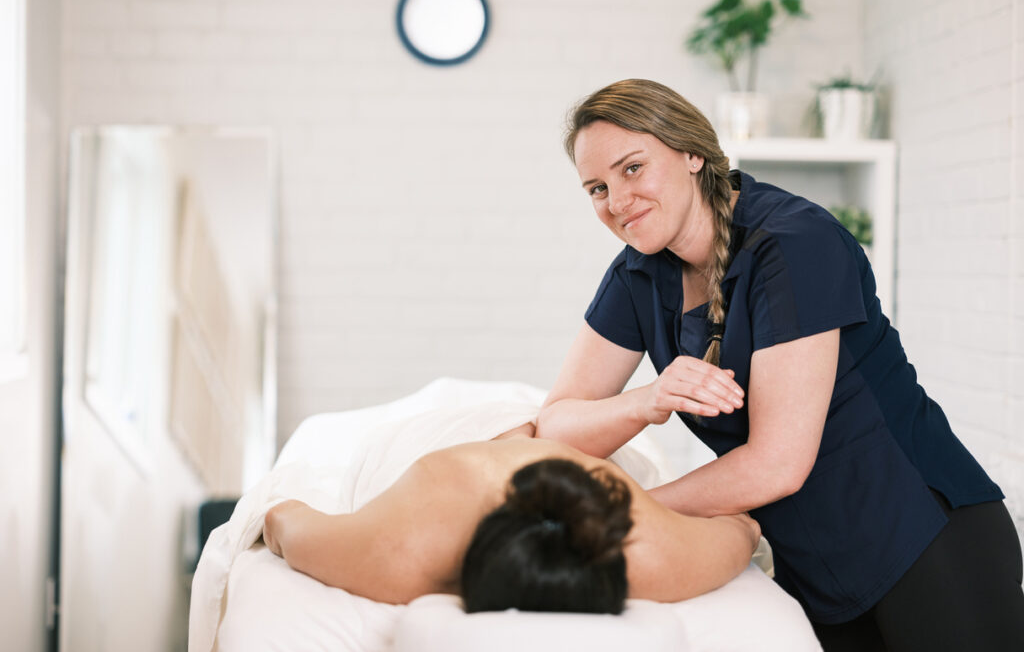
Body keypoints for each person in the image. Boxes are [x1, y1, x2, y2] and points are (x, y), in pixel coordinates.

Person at [537, 78, 1024, 651]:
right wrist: (647, 401)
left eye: (633, 168)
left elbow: (776, 466)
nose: (617, 202)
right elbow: (558, 424)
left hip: (923, 538)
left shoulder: (795, 244)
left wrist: (618, 514)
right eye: (596, 187)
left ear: (692, 152)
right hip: (815, 564)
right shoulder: (638, 274)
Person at [262, 423, 760, 612]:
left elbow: (744, 527)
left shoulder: (649, 551)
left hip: (557, 445)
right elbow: (281, 519)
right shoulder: (401, 552)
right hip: (449, 433)